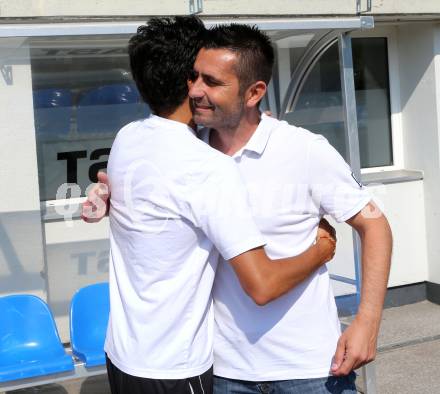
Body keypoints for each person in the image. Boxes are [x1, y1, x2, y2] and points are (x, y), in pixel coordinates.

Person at [82, 16, 337, 394]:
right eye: (205, 74)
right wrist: (321, 250)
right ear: (191, 79)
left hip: (122, 354)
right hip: (175, 367)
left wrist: (101, 196)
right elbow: (263, 285)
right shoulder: (207, 167)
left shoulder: (127, 138)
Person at [187, 24, 392, 393]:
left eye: (212, 82)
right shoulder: (189, 152)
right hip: (223, 373)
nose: (195, 90)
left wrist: (368, 320)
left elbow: (375, 225)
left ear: (254, 92)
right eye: (195, 77)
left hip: (311, 370)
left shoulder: (304, 150)